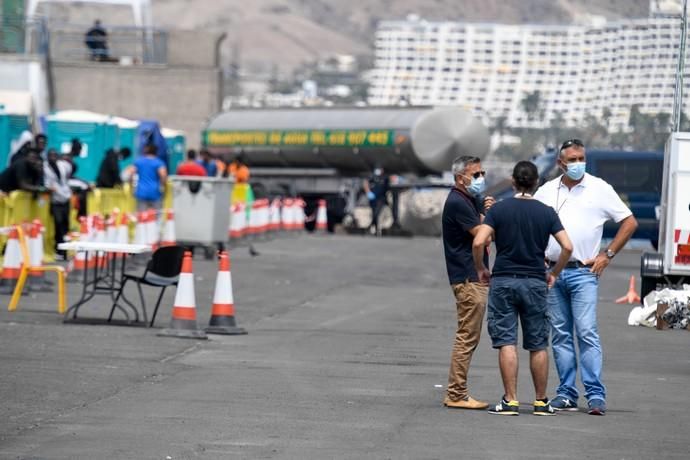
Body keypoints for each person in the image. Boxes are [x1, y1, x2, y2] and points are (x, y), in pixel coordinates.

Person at [534, 138, 638, 416]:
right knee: (560, 335)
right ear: (560, 163)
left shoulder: (599, 188)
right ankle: (566, 393)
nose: (578, 164)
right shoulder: (546, 192)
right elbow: (532, 222)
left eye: (581, 158)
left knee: (587, 332)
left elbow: (629, 222)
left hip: (584, 273)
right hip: (553, 273)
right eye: (572, 159)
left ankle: (595, 394)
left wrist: (608, 254)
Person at [472, 161, 573, 416]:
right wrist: (554, 273)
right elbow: (568, 247)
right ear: (536, 182)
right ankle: (541, 402)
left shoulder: (499, 210)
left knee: (507, 341)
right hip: (535, 281)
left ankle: (511, 400)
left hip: (504, 279)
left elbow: (479, 241)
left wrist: (481, 268)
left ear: (514, 182)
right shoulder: (547, 212)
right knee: (538, 343)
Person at [441, 155, 495, 410]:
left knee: (469, 336)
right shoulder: (458, 203)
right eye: (475, 175)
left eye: (481, 173)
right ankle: (456, 393)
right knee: (467, 336)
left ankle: (457, 391)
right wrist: (490, 215)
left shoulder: (468, 200)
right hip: (468, 276)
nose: (480, 179)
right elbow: (483, 236)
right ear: (460, 177)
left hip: (470, 276)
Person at [43, 149, 73, 260]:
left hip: (66, 198)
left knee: (66, 224)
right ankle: (58, 250)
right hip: (55, 201)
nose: (53, 157)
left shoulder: (63, 165)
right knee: (58, 224)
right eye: (50, 155)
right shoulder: (45, 168)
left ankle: (64, 250)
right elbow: (46, 184)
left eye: (55, 155)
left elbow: (68, 175)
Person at [126, 145, 167, 212]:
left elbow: (130, 173)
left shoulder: (139, 161)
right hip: (155, 192)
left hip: (141, 192)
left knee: (141, 217)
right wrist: (163, 186)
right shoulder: (158, 162)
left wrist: (131, 185)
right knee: (156, 217)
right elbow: (163, 175)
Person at [362, 167, 390, 236]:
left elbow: (388, 188)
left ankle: (369, 227)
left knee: (376, 213)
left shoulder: (385, 178)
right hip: (373, 199)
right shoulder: (373, 177)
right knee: (375, 214)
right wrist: (368, 192)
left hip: (381, 199)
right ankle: (377, 230)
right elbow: (365, 183)